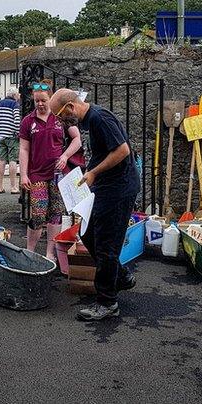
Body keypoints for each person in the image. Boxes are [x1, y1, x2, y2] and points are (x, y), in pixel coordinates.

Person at [49, 88, 139, 321]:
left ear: (69, 107)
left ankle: (107, 302)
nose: (59, 121)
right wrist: (91, 173)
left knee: (107, 244)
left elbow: (122, 150)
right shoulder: (91, 120)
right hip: (106, 187)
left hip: (119, 188)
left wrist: (93, 173)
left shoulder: (99, 118)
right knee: (88, 233)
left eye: (59, 116)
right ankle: (120, 277)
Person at [18, 80, 83, 261]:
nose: (40, 104)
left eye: (43, 100)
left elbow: (77, 139)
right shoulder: (27, 121)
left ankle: (49, 253)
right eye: (36, 100)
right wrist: (23, 174)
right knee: (38, 214)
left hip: (57, 174)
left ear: (50, 99)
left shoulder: (60, 117)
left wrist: (65, 156)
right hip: (37, 174)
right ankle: (30, 252)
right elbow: (23, 149)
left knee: (55, 214)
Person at [0, 90, 21, 194]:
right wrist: (18, 132)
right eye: (17, 95)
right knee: (12, 160)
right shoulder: (14, 104)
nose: (18, 97)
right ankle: (13, 187)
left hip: (0, 136)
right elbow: (17, 119)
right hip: (11, 135)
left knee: (1, 160)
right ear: (14, 96)